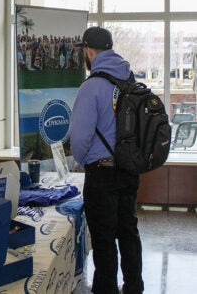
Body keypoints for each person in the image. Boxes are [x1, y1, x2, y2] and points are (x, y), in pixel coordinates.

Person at [70, 27, 144, 294]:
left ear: (89, 52)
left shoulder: (91, 87)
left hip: (101, 174)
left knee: (103, 239)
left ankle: (106, 290)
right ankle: (134, 286)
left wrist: (81, 160)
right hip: (129, 170)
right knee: (128, 230)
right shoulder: (130, 79)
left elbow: (79, 138)